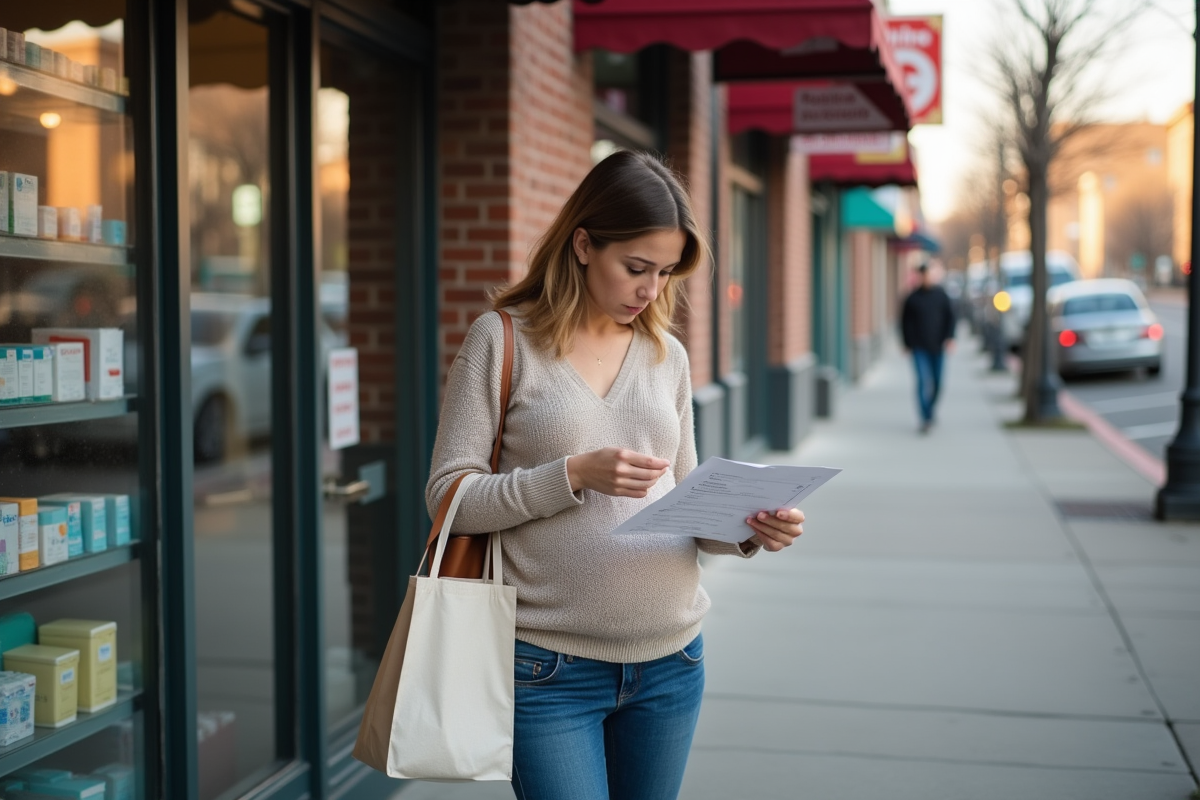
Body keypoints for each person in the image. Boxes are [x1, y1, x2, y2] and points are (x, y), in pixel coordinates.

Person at [425, 150, 805, 800]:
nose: (651, 290)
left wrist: (749, 527)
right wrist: (570, 474)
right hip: (547, 670)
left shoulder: (667, 355)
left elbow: (686, 500)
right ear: (582, 243)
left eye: (663, 273)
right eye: (636, 268)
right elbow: (449, 498)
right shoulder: (502, 341)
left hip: (672, 662)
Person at [901, 262, 957, 433]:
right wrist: (906, 343)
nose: (925, 278)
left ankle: (930, 410)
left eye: (927, 275)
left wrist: (950, 338)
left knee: (938, 383)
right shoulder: (912, 298)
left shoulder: (941, 296)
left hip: (938, 346)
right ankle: (925, 418)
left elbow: (951, 317)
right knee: (922, 382)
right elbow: (904, 322)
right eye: (922, 275)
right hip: (919, 347)